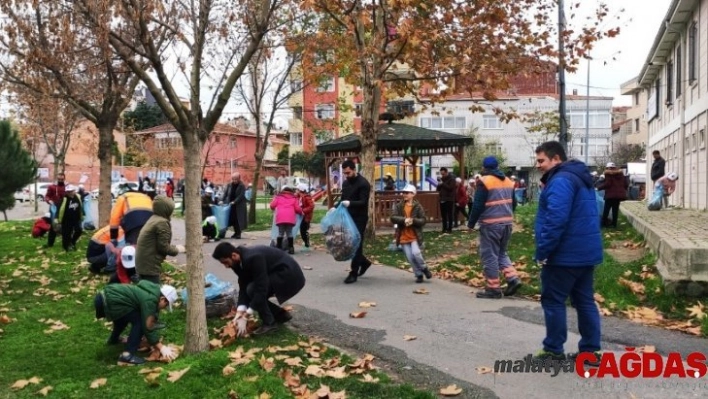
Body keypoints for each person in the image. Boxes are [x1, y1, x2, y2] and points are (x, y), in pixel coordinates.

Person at [533, 141, 603, 362]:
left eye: (541, 160)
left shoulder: (561, 180)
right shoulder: (581, 179)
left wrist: (543, 250)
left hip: (564, 254)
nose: (538, 165)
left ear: (556, 159)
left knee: (553, 300)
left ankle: (553, 349)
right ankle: (591, 352)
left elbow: (556, 219)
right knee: (584, 301)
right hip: (586, 252)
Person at [211, 243, 306, 336]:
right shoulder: (237, 261)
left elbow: (261, 289)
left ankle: (270, 324)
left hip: (290, 276)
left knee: (253, 290)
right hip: (276, 273)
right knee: (250, 289)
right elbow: (243, 285)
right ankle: (280, 315)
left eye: (226, 262)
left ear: (234, 255)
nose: (226, 266)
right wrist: (240, 311)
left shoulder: (254, 257)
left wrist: (246, 315)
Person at [467, 156, 521, 299]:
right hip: (507, 223)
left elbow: (477, 205)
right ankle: (513, 278)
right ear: (497, 167)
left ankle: (493, 288)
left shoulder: (484, 182)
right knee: (501, 253)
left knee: (489, 256)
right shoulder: (509, 182)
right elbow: (514, 203)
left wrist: (471, 223)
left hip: (491, 224)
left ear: (484, 168)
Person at [94, 280, 178, 365]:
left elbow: (150, 315)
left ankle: (113, 339)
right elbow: (147, 325)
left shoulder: (150, 291)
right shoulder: (151, 300)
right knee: (141, 322)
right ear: (162, 299)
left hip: (103, 296)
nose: (164, 308)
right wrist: (162, 347)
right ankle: (127, 356)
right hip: (111, 301)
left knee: (125, 316)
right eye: (166, 305)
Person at [135, 195, 184, 284]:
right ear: (165, 209)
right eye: (171, 209)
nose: (172, 212)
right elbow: (163, 247)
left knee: (145, 291)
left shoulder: (153, 218)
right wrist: (178, 249)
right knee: (153, 293)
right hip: (149, 265)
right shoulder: (162, 222)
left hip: (142, 263)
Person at [390, 184, 433, 283]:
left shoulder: (418, 206)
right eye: (403, 193)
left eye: (407, 193)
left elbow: (423, 220)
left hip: (414, 235)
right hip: (403, 236)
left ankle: (424, 268)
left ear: (413, 194)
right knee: (410, 257)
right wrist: (404, 220)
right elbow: (393, 217)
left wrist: (413, 221)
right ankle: (418, 275)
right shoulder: (399, 206)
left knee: (416, 253)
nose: (404, 194)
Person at [339, 160, 373, 284]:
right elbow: (343, 199)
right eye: (344, 173)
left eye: (348, 172)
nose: (346, 175)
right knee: (349, 243)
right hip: (348, 217)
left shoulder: (363, 183)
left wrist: (350, 203)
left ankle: (353, 273)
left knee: (356, 243)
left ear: (354, 169)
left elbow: (363, 202)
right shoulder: (345, 183)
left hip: (360, 218)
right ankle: (364, 262)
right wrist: (336, 208)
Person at [110, 179, 153, 245]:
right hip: (151, 221)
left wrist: (113, 237)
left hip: (133, 221)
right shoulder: (146, 197)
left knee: (133, 246)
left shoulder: (123, 197)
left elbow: (115, 217)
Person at [270, 186, 303, 254]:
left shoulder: (278, 197)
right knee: (289, 233)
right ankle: (291, 248)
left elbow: (272, 205)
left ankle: (279, 248)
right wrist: (301, 212)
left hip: (280, 217)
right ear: (291, 192)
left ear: (283, 191)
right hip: (290, 218)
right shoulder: (294, 198)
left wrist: (274, 208)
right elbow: (297, 209)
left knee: (280, 233)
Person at [596, 162, 628, 228]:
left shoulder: (608, 174)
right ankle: (614, 224)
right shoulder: (621, 174)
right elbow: (626, 184)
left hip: (610, 195)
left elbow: (608, 184)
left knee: (606, 209)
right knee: (615, 210)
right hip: (618, 195)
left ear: (608, 168)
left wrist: (598, 188)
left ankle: (603, 224)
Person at [56, 185, 84, 252]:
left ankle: (72, 242)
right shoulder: (64, 199)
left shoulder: (78, 197)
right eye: (68, 192)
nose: (70, 193)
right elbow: (59, 209)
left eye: (71, 191)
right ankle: (66, 248)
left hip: (76, 219)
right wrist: (58, 219)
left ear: (74, 191)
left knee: (79, 230)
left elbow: (81, 206)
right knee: (66, 234)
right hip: (66, 220)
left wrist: (83, 214)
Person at [221, 172, 248, 239]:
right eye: (233, 179)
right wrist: (222, 200)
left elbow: (241, 196)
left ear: (239, 178)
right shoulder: (229, 185)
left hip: (239, 206)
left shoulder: (242, 186)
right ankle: (234, 232)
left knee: (238, 219)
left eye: (236, 179)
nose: (234, 180)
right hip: (230, 205)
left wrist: (234, 201)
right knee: (231, 219)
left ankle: (238, 233)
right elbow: (225, 193)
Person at [44, 172, 67, 248]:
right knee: (53, 226)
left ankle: (66, 243)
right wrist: (49, 201)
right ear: (57, 179)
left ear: (64, 179)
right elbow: (47, 196)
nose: (60, 180)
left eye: (62, 179)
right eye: (59, 179)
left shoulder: (67, 187)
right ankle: (50, 243)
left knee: (66, 226)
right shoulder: (52, 187)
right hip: (54, 208)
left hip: (64, 208)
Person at [436, 167, 456, 233]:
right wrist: (439, 185)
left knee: (449, 215)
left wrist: (442, 183)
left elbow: (450, 188)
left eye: (443, 174)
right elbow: (438, 189)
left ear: (447, 172)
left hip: (449, 199)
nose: (442, 175)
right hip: (442, 199)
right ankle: (444, 228)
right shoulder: (441, 179)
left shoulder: (452, 179)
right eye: (441, 174)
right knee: (443, 215)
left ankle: (449, 229)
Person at [297, 183, 314, 250]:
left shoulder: (307, 197)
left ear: (300, 190)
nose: (296, 191)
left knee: (303, 230)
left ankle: (307, 243)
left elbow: (311, 206)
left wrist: (303, 211)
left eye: (297, 189)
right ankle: (306, 243)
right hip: (302, 216)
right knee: (303, 230)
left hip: (306, 216)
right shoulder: (300, 197)